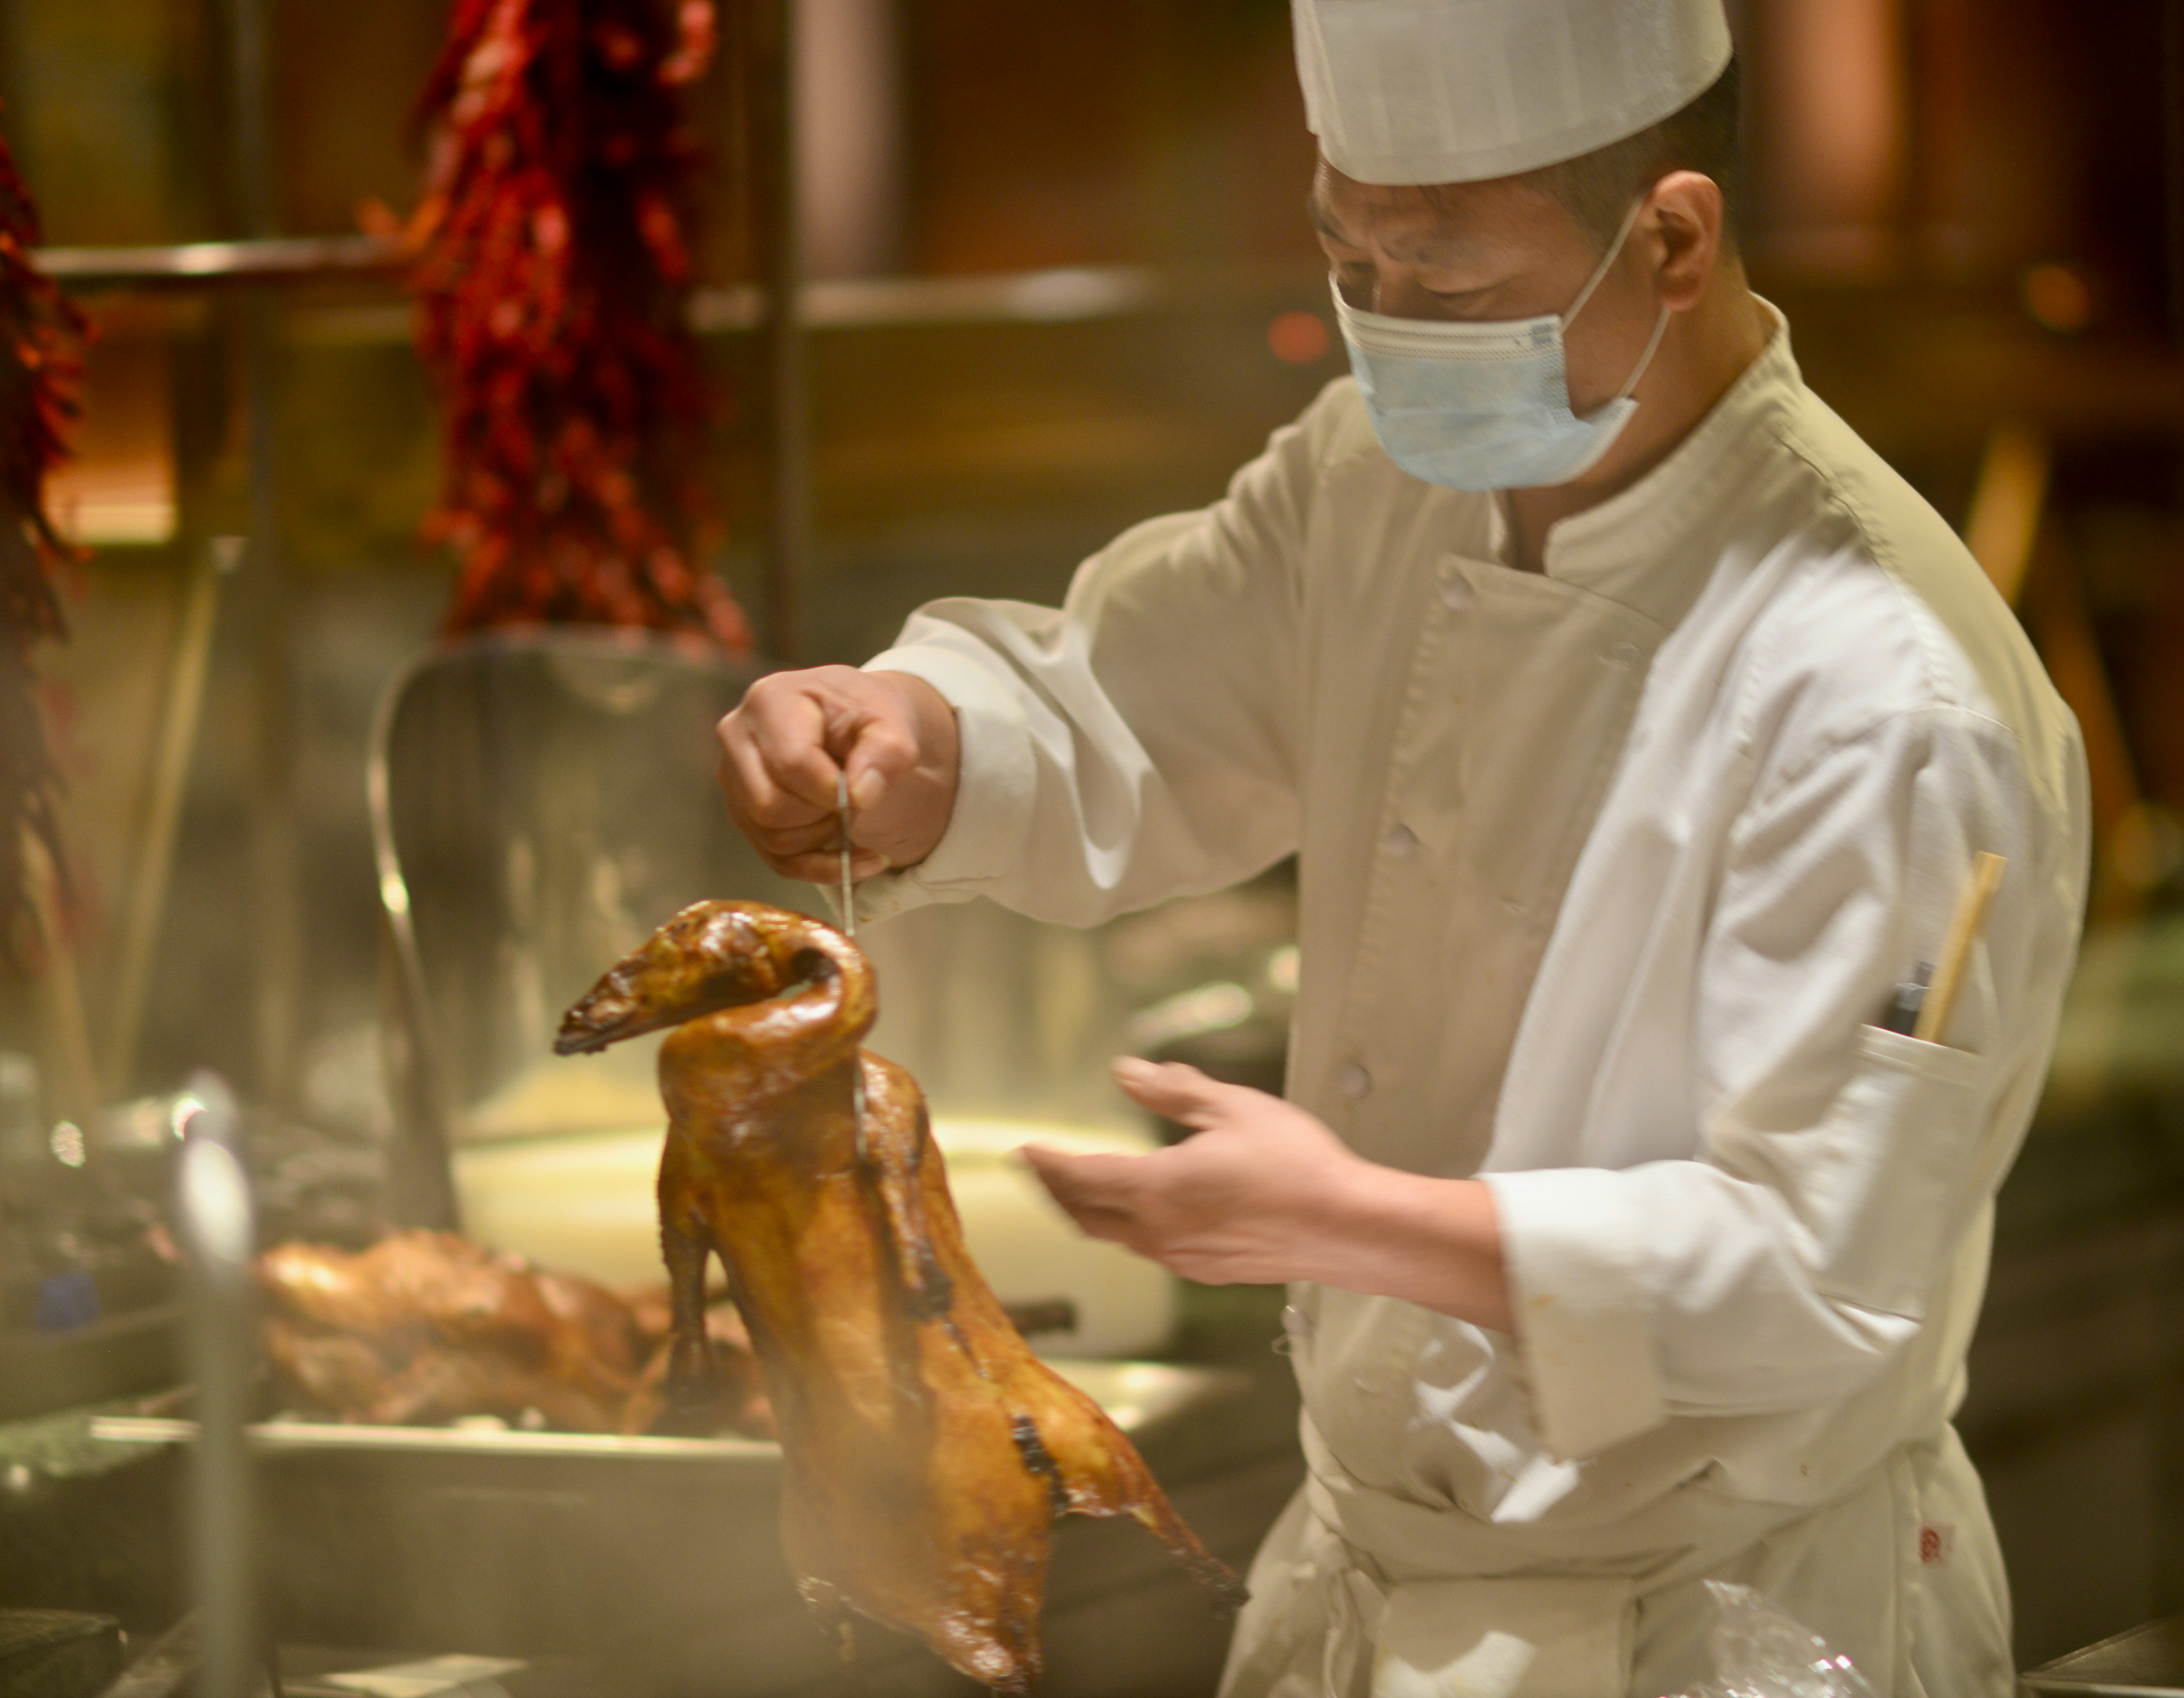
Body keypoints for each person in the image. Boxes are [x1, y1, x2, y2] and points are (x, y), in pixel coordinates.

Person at [715, 1, 2088, 1692]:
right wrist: (917, 740)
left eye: (1444, 280)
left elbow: (1813, 1266)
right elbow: (1123, 698)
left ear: (1671, 239)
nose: (1385, 330)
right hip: (1377, 1590)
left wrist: (1352, 1221)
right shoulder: (1372, 480)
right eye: (1348, 261)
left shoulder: (1885, 688)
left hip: (1725, 1625)